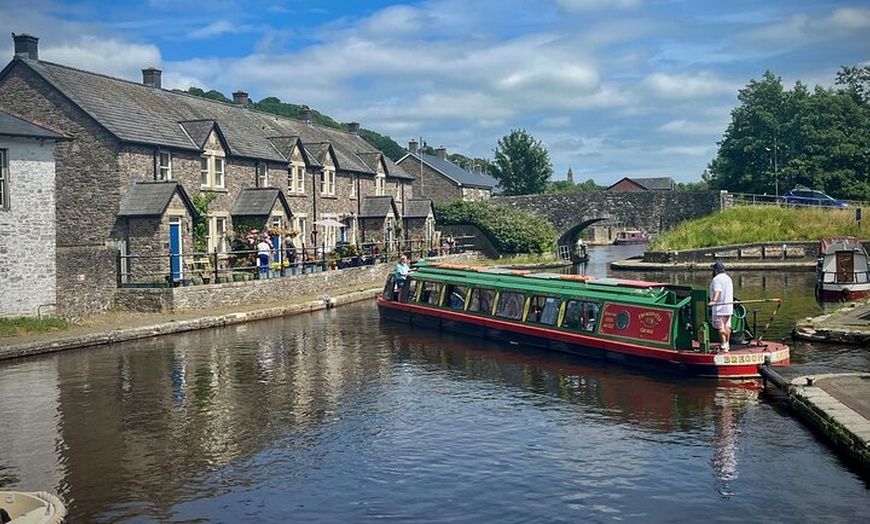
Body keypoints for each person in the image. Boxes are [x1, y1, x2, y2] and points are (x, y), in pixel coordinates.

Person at [708, 261, 734, 352]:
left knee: (720, 327)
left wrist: (713, 301)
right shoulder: (728, 278)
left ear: (716, 270)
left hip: (719, 308)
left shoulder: (716, 279)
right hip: (728, 307)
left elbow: (718, 291)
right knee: (727, 326)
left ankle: (723, 344)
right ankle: (727, 343)